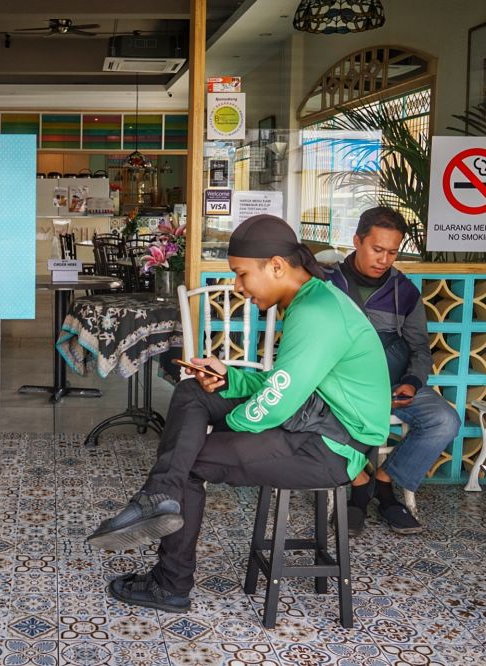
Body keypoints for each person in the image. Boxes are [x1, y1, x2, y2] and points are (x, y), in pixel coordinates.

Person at [86, 215, 390, 613]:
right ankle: (158, 495)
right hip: (309, 419)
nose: (237, 286)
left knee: (190, 458)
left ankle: (170, 582)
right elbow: (287, 384)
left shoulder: (317, 312)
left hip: (332, 446)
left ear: (277, 266)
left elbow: (278, 402)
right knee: (194, 390)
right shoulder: (310, 299)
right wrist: (228, 379)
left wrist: (224, 432)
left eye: (242, 274)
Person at [322, 207, 461, 535]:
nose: (384, 259)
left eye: (392, 252)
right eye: (376, 249)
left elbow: (420, 349)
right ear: (357, 241)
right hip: (339, 387)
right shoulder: (326, 284)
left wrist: (412, 383)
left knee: (445, 420)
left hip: (393, 385)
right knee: (304, 413)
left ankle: (385, 483)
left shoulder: (406, 292)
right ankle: (359, 485)